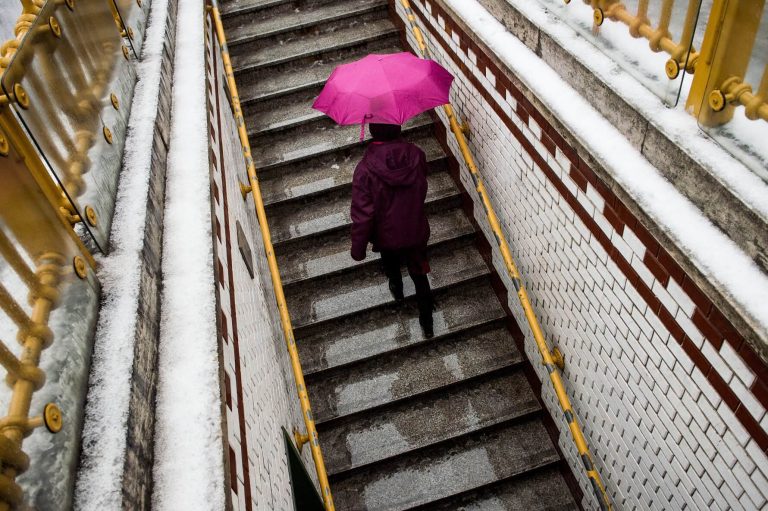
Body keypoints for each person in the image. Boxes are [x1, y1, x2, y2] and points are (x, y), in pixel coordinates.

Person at [350, 123, 435, 338]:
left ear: (372, 131)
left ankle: (397, 290)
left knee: (391, 265)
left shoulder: (364, 169)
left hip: (386, 235)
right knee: (420, 274)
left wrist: (358, 249)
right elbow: (421, 186)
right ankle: (428, 324)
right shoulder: (417, 155)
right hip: (415, 229)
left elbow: (363, 214)